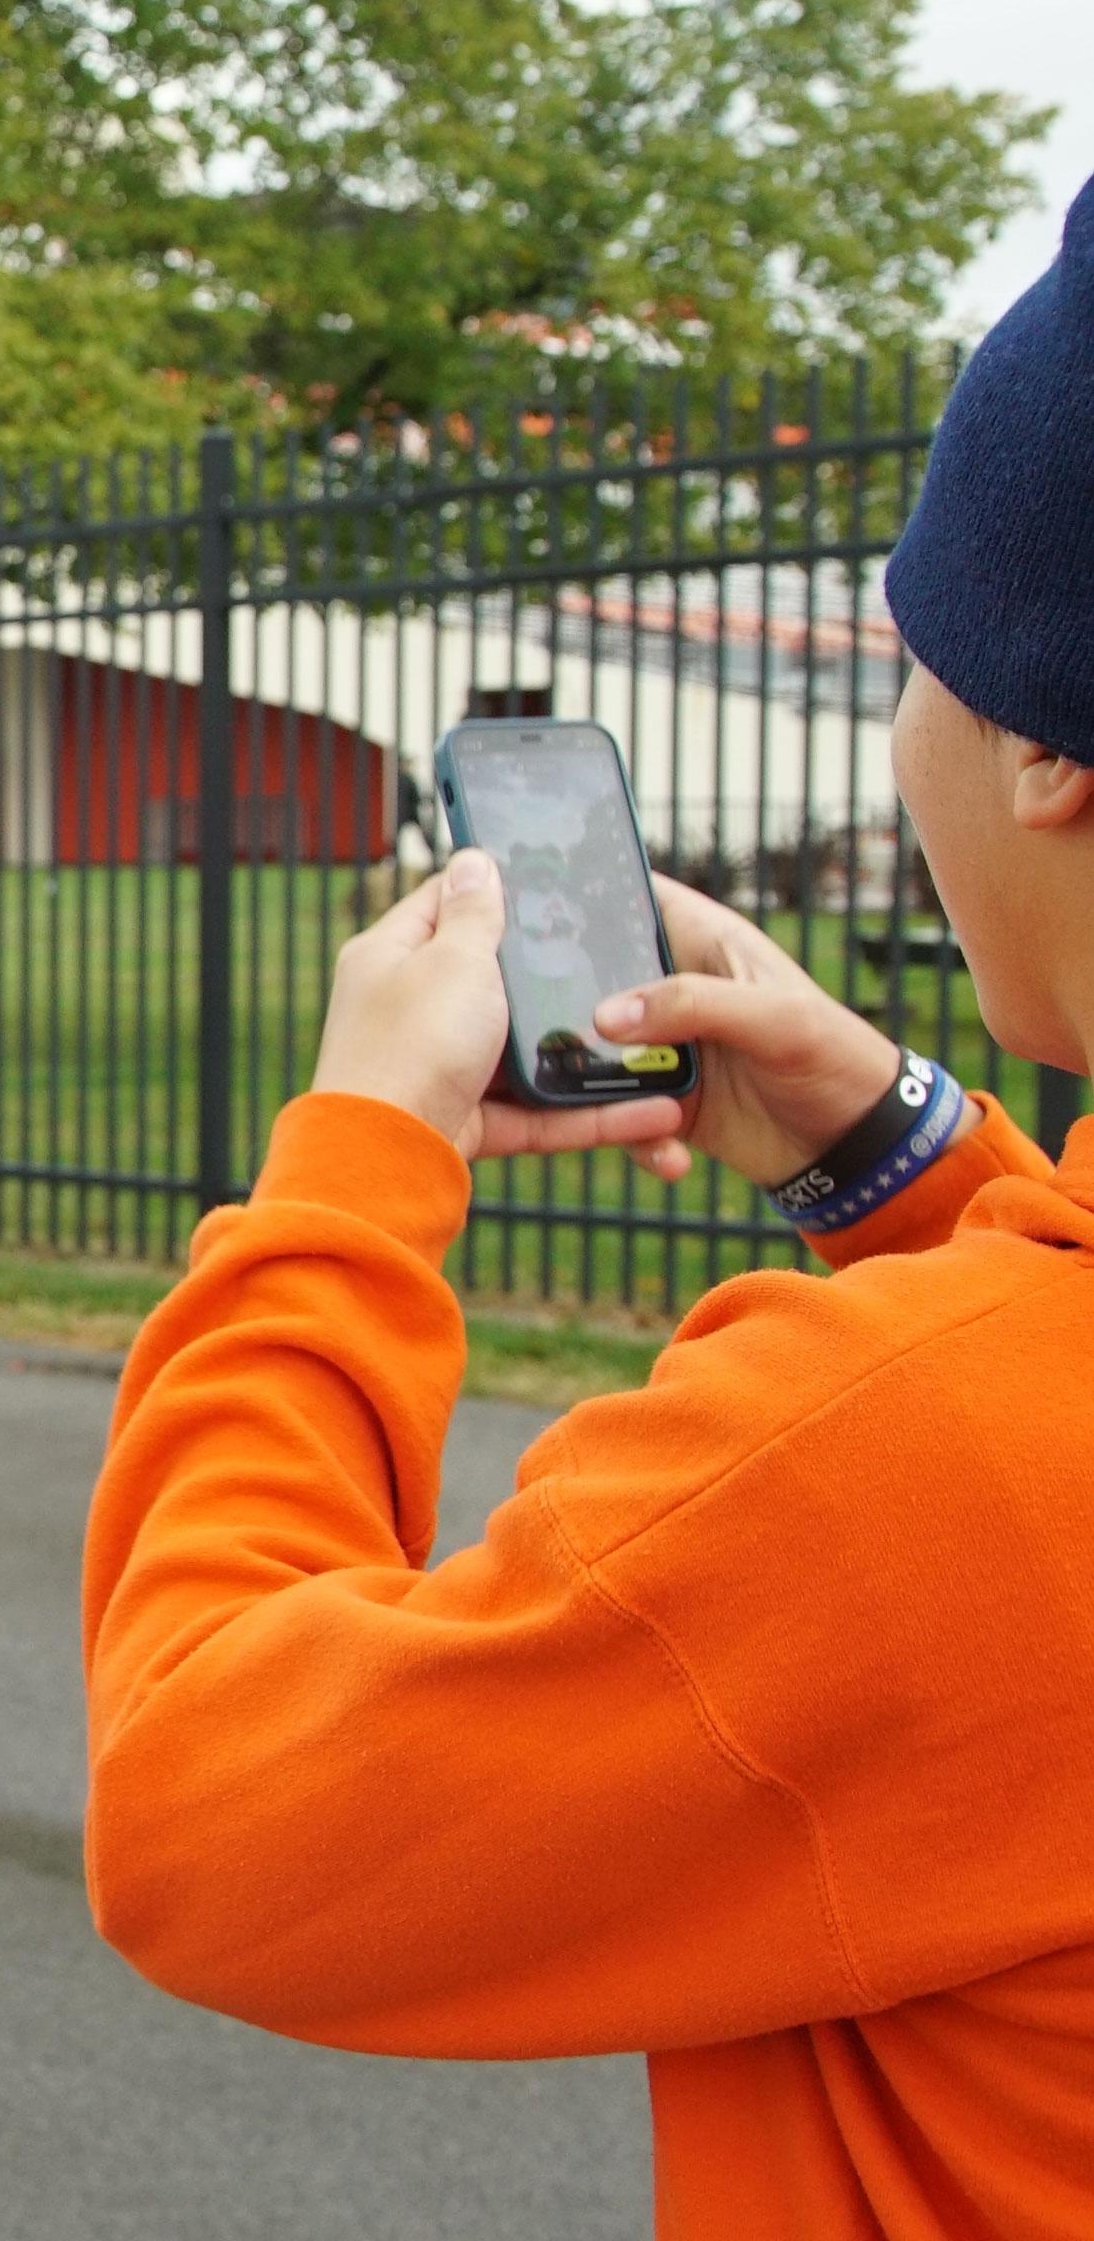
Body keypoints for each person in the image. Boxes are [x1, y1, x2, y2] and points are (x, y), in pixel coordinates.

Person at [83, 179, 1094, 2235]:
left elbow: (205, 1798)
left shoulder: (899, 1469)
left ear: (1044, 752)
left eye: (904, 646)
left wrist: (349, 1169)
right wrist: (891, 1155)